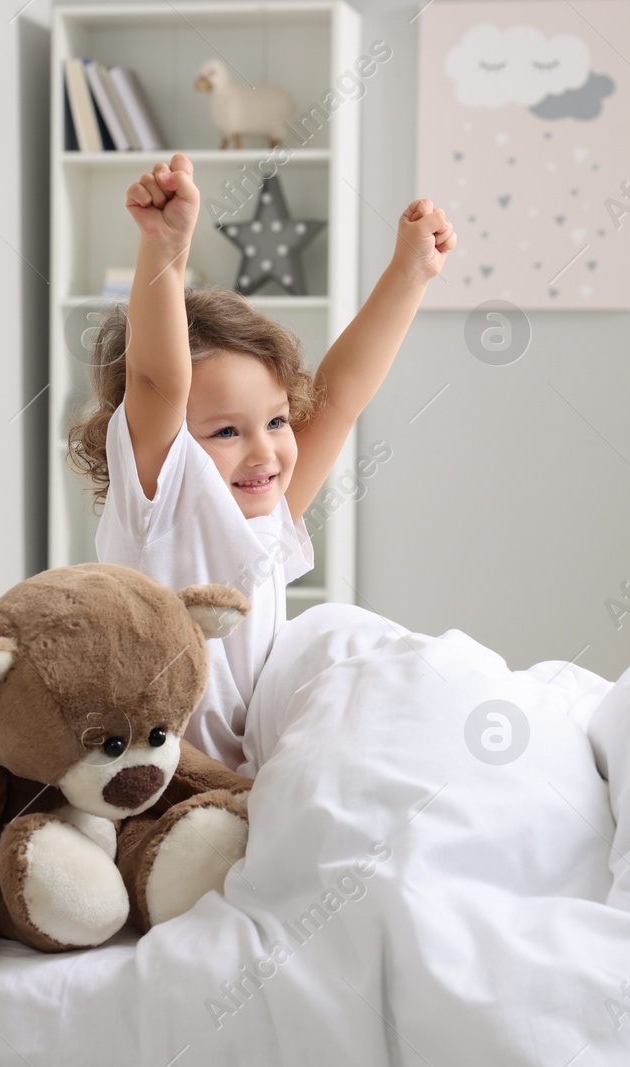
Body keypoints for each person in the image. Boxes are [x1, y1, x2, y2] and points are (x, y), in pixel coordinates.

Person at [67, 153, 455, 772]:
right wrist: (165, 246)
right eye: (226, 431)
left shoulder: (264, 514)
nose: (265, 451)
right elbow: (157, 378)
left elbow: (339, 400)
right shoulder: (162, 504)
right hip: (140, 781)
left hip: (235, 778)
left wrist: (410, 274)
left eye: (276, 421)